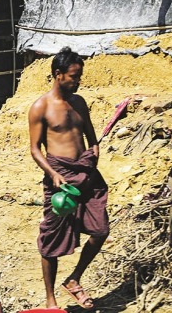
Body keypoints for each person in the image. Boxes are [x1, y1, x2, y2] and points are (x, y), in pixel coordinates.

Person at [28, 48, 108, 310]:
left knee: (100, 230)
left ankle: (74, 279)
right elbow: (35, 149)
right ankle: (50, 300)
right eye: (74, 76)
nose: (78, 81)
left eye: (79, 76)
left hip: (86, 173)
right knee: (51, 239)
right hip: (60, 179)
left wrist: (94, 153)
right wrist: (53, 174)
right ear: (58, 74)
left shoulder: (79, 102)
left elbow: (92, 137)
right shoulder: (40, 107)